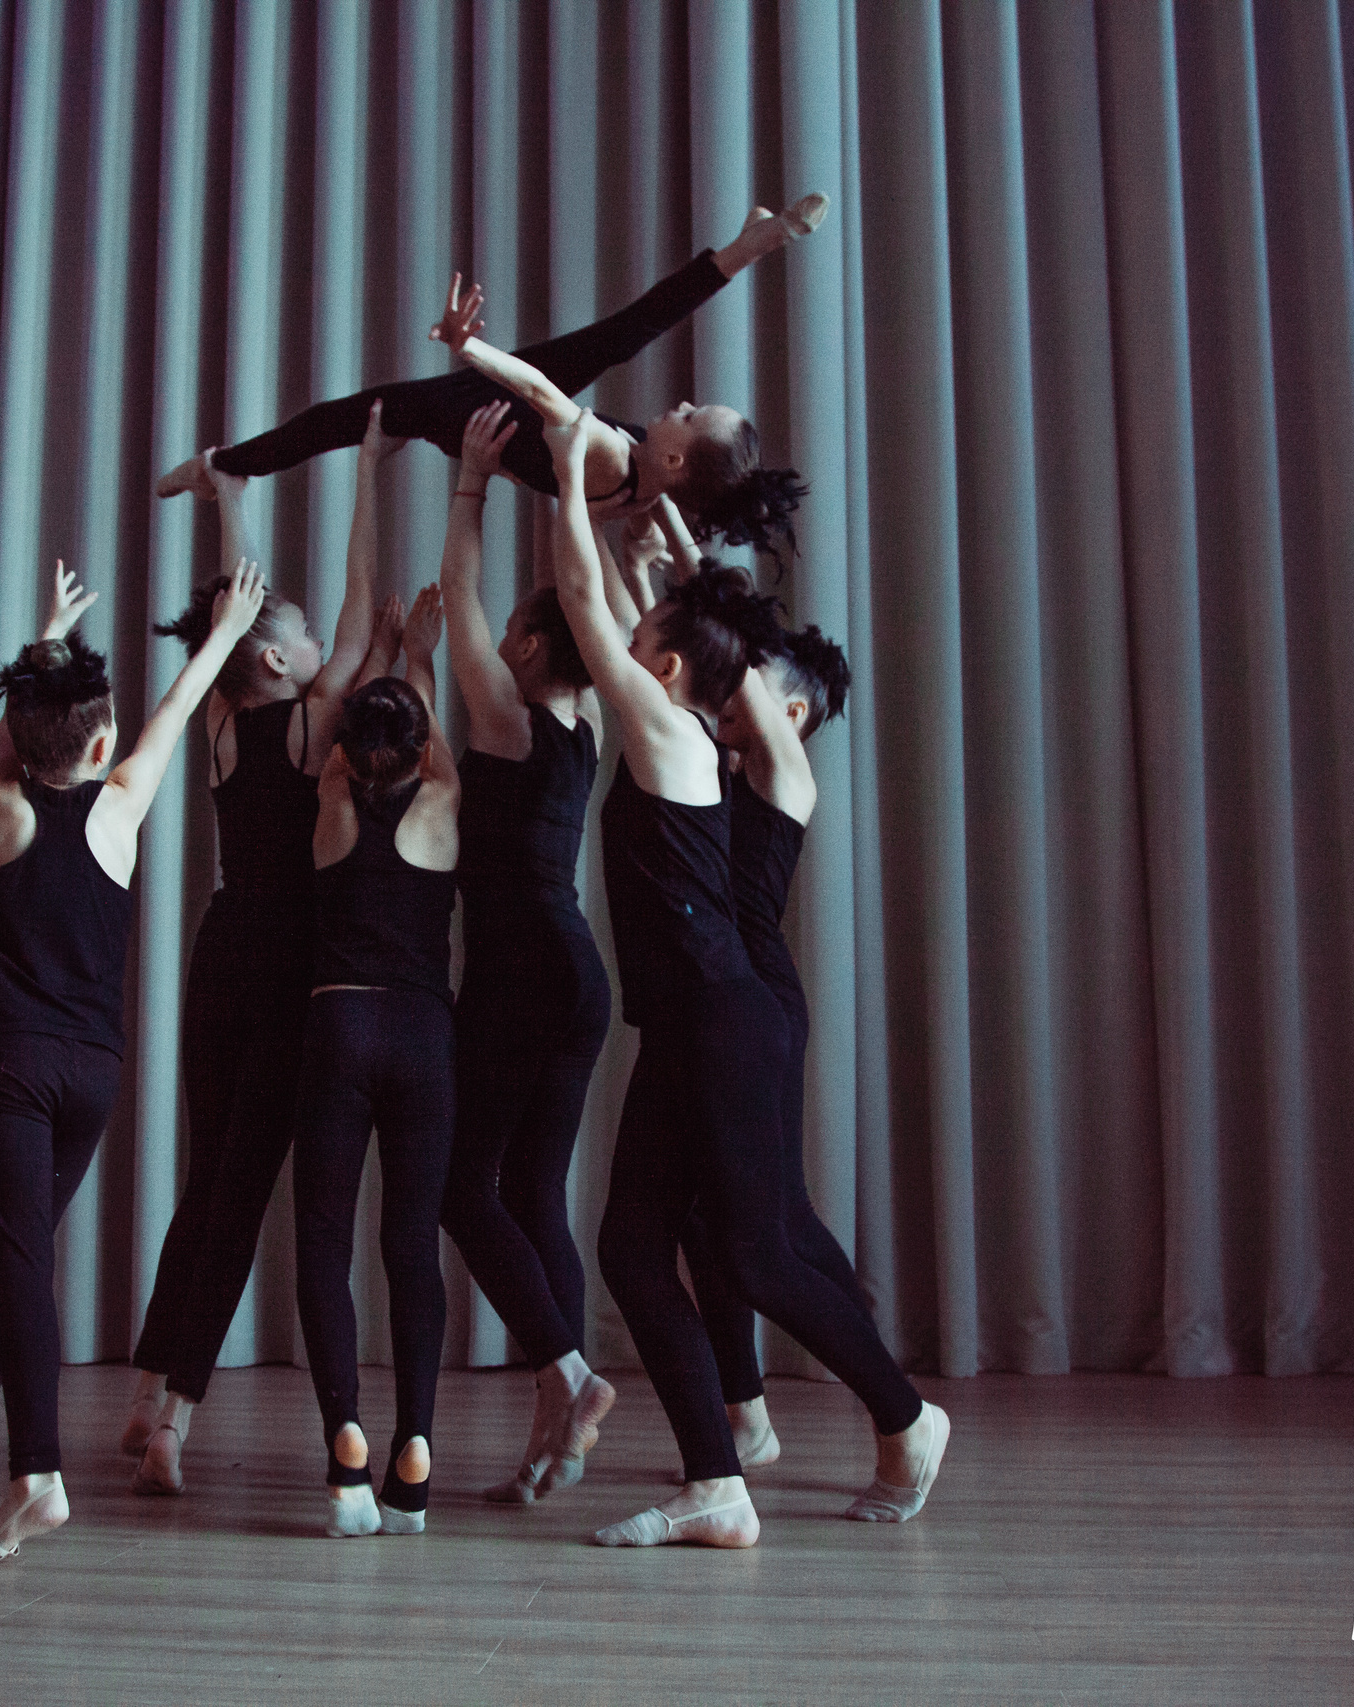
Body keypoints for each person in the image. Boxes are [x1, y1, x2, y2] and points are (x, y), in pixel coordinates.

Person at [542, 412, 948, 1550]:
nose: (631, 646)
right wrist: (660, 554)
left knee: (758, 1252)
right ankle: (716, 1481)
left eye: (652, 641)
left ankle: (908, 1420)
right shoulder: (675, 726)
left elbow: (589, 607)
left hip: (726, 1021)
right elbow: (632, 615)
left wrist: (569, 479)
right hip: (692, 1024)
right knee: (636, 1247)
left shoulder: (682, 741)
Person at [0, 558, 268, 1566]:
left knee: (19, 1258)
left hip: (16, 1071)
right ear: (100, 739)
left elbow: (16, 737)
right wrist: (225, 631)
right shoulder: (121, 809)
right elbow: (179, 704)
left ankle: (36, 1475)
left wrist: (46, 642)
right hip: (92, 1079)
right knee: (10, 1259)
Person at [118, 410, 403, 1496]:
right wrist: (370, 474)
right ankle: (175, 1424)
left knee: (207, 1180)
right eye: (307, 644)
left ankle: (148, 1393)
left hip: (220, 950)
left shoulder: (225, 723)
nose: (327, 649)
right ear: (280, 659)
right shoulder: (307, 716)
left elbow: (248, 605)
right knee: (239, 1190)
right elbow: (344, 595)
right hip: (287, 969)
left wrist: (228, 489)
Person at [155, 200, 829, 557]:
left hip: (486, 408)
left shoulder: (608, 455)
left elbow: (536, 389)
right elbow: (677, 504)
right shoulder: (648, 489)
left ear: (676, 453)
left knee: (345, 416)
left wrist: (468, 348)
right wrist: (672, 545)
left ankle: (224, 465)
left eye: (690, 411)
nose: (680, 402)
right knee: (628, 330)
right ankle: (750, 243)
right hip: (510, 424)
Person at [434, 401, 619, 1503]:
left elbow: (456, 593)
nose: (490, 637)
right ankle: (559, 1418)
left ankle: (567, 1374)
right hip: (572, 972)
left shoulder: (507, 719)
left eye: (510, 630)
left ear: (530, 646)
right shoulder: (590, 719)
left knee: (465, 1189)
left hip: (518, 973)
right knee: (535, 1195)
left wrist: (468, 484)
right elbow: (544, 601)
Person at [680, 622, 876, 1474]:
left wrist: (701, 581)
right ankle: (745, 1407)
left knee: (773, 1223)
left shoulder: (785, 770)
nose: (729, 684)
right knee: (703, 1218)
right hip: (724, 1003)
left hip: (759, 1005)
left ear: (790, 709)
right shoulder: (719, 764)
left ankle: (884, 1387)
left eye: (749, 677)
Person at [293, 588, 463, 1537]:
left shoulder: (327, 796)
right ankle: (417, 1449)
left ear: (348, 750)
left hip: (339, 1026)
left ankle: (345, 1447)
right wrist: (421, 657)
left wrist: (384, 655)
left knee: (324, 1239)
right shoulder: (442, 798)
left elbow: (356, 739)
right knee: (411, 1247)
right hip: (424, 1037)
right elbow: (423, 744)